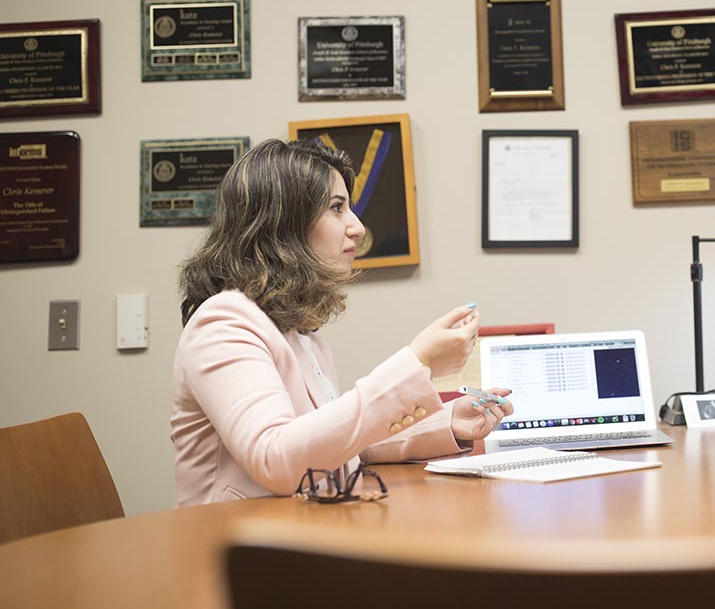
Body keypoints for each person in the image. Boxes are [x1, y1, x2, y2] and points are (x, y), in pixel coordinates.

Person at [170, 139, 513, 506]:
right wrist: (419, 363)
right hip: (236, 550)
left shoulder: (301, 331)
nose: (358, 228)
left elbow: (334, 446)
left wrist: (445, 423)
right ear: (283, 223)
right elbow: (276, 460)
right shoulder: (224, 322)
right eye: (337, 208)